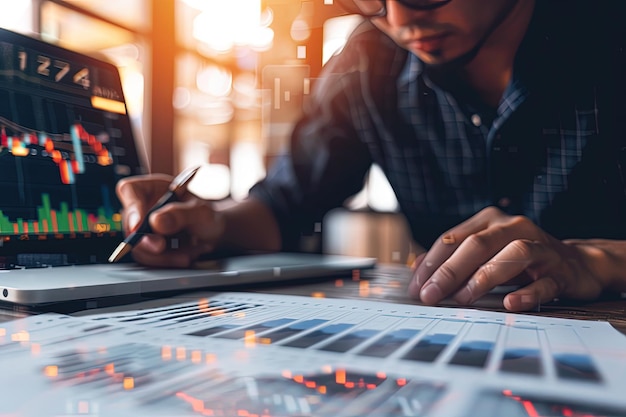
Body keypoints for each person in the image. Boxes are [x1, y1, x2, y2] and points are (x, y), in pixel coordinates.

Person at [116, 0, 626, 311]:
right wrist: (211, 224)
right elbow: (281, 207)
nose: (400, 19)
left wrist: (596, 261)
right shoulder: (367, 63)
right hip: (453, 334)